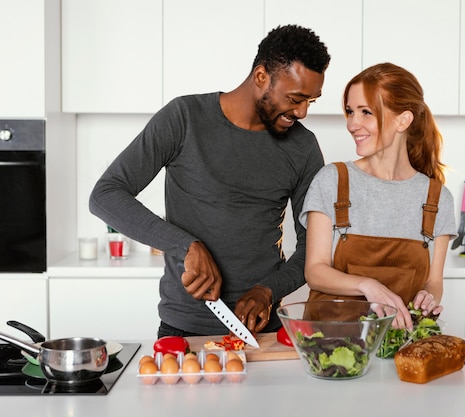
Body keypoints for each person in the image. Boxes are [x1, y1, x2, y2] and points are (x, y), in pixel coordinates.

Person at [89, 25, 331, 337]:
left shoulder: (303, 147)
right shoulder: (184, 118)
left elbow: (314, 248)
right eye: (296, 98)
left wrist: (268, 291)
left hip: (264, 331)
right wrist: (186, 245)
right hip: (185, 330)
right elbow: (105, 195)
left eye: (311, 100)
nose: (302, 112)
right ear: (261, 77)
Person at [299, 63, 457, 329]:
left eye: (365, 112)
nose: (352, 124)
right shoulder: (333, 181)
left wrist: (428, 297)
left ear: (403, 120)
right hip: (331, 345)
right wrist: (367, 285)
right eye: (350, 112)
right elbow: (315, 271)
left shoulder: (437, 198)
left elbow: (434, 282)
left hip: (400, 343)